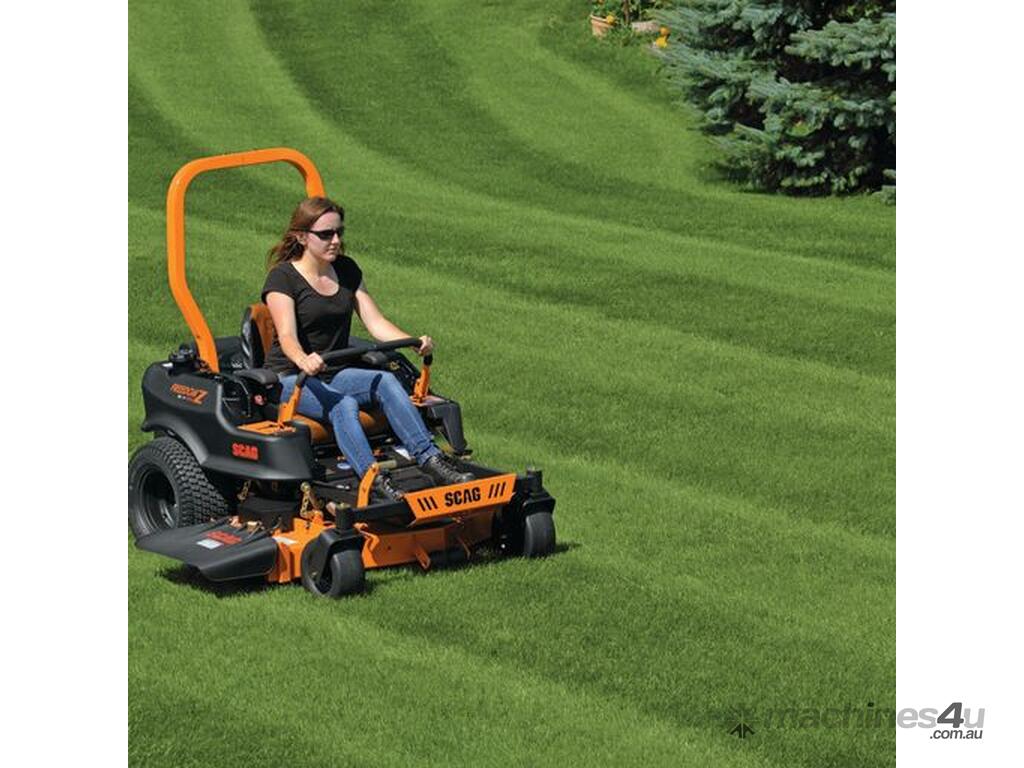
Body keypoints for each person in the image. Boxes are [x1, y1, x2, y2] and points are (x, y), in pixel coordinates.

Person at [261, 196, 472, 501]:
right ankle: (372, 479)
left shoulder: (346, 270)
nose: (336, 241)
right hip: (291, 379)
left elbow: (376, 323)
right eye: (326, 234)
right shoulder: (282, 278)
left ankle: (430, 459)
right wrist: (303, 360)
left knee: (385, 380)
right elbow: (287, 336)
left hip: (333, 372)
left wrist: (414, 342)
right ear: (302, 237)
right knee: (344, 405)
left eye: (339, 232)